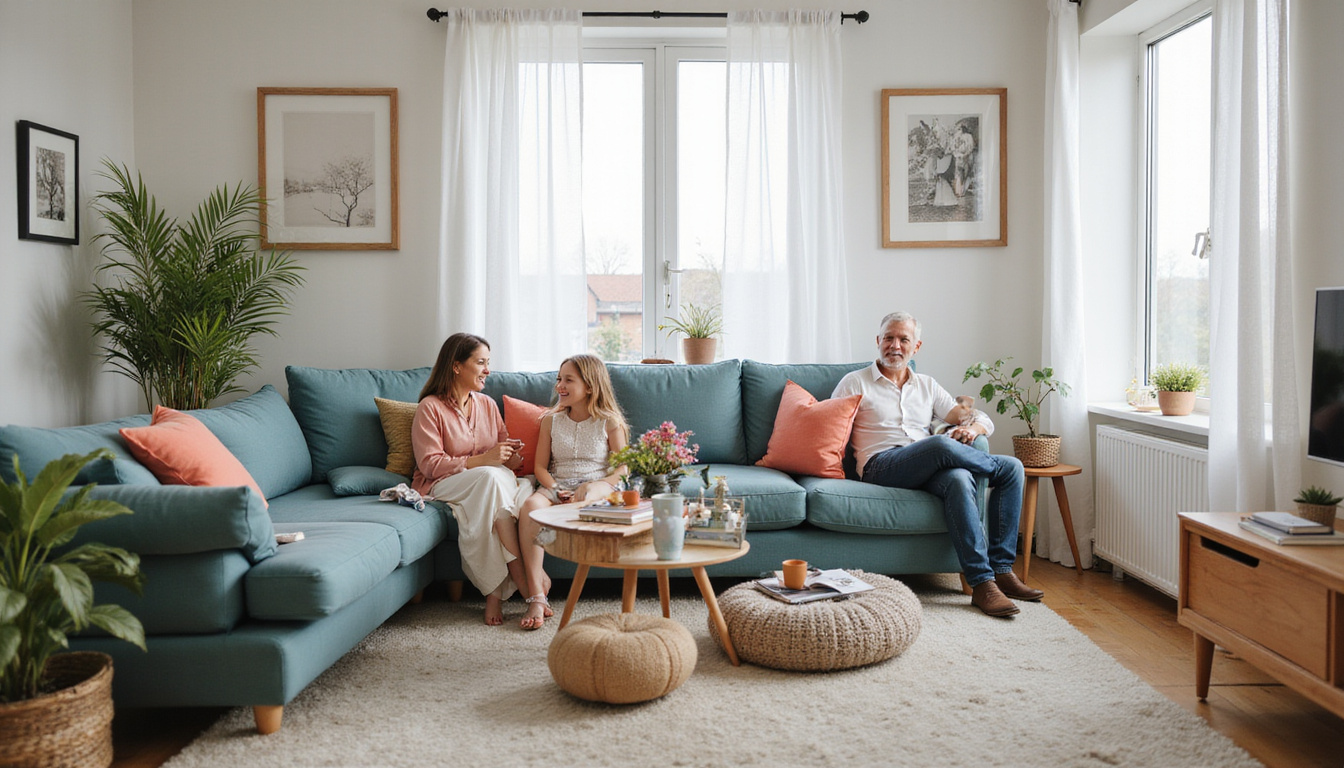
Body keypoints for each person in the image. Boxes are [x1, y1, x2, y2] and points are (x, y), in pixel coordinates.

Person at [832, 312, 1041, 617]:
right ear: (878, 342)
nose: (895, 345)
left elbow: (974, 416)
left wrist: (973, 430)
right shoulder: (855, 382)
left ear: (916, 347)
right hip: (881, 467)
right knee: (954, 449)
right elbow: (831, 429)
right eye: (889, 338)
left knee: (958, 478)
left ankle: (991, 577)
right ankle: (1000, 470)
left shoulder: (927, 386)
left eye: (904, 339)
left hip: (926, 465)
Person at [412, 333, 533, 626]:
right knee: (491, 480)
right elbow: (430, 465)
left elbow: (502, 451)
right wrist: (485, 461)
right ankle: (516, 583)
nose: (488, 370)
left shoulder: (487, 405)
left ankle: (495, 594)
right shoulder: (430, 407)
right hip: (443, 482)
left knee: (524, 486)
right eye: (481, 362)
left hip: (488, 482)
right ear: (456, 366)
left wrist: (511, 456)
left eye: (488, 363)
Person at [514, 354, 629, 630]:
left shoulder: (609, 421)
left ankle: (569, 518)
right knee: (530, 506)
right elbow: (541, 467)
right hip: (557, 485)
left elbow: (623, 469)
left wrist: (593, 486)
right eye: (558, 379)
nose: (559, 386)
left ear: (589, 386)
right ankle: (537, 597)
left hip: (596, 485)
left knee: (588, 493)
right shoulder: (550, 421)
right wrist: (554, 488)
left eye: (568, 380)